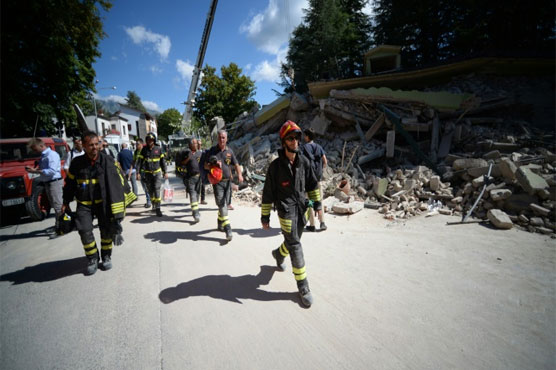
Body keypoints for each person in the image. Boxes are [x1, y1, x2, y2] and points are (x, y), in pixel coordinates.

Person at [260, 121, 320, 307]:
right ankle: (303, 286)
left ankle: (278, 254)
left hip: (302, 209)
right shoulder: (275, 167)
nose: (295, 142)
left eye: (297, 138)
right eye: (291, 138)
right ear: (284, 142)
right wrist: (265, 216)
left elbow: (312, 184)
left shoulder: (304, 162)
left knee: (293, 240)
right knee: (295, 244)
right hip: (285, 211)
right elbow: (268, 193)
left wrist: (316, 204)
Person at [62, 131, 129, 275]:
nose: (94, 147)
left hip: (103, 203)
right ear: (84, 146)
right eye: (90, 145)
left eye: (96, 144)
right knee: (84, 231)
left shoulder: (107, 161)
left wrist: (122, 204)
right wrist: (65, 201)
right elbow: (70, 184)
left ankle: (106, 256)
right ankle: (92, 258)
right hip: (84, 204)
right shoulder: (76, 163)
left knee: (106, 232)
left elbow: (119, 182)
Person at [203, 129, 243, 241]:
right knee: (222, 205)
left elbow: (236, 164)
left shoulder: (230, 151)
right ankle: (228, 228)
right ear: (217, 138)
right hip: (217, 182)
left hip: (228, 182)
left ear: (226, 139)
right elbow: (205, 166)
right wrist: (213, 165)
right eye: (220, 137)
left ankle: (220, 222)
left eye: (223, 137)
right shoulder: (212, 151)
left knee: (225, 203)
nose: (221, 139)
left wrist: (239, 175)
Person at [25, 138, 64, 238]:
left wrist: (36, 171)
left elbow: (51, 171)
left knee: (58, 206)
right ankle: (58, 226)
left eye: (35, 149)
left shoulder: (52, 155)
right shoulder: (43, 156)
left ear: (41, 146)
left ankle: (61, 229)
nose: (35, 151)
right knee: (55, 206)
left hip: (54, 182)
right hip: (48, 182)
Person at [302, 128, 328, 231]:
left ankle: (312, 225)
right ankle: (322, 223)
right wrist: (320, 171)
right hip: (318, 180)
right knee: (319, 201)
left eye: (305, 135)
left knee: (309, 203)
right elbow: (325, 161)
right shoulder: (319, 147)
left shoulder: (304, 148)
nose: (304, 137)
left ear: (308, 136)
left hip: (308, 181)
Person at [136, 132, 167, 217]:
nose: (150, 141)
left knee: (157, 189)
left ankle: (158, 208)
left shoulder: (158, 149)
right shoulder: (144, 150)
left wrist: (165, 172)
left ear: (154, 140)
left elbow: (162, 162)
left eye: (151, 140)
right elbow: (139, 162)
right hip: (147, 174)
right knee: (150, 190)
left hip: (157, 173)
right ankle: (153, 203)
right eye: (148, 140)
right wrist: (138, 172)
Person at [176, 139, 202, 223]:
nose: (196, 144)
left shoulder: (199, 153)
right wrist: (188, 159)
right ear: (190, 145)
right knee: (193, 194)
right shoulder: (187, 153)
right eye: (194, 143)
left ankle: (195, 209)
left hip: (199, 177)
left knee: (197, 194)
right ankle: (195, 213)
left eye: (196, 143)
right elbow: (181, 164)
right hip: (190, 178)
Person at [129, 138, 151, 208]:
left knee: (148, 187)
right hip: (141, 172)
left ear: (141, 144)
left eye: (137, 144)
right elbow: (134, 162)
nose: (136, 145)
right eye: (135, 144)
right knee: (145, 187)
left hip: (147, 171)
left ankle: (149, 201)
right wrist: (131, 171)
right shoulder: (136, 152)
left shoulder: (145, 150)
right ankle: (149, 200)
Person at [197, 139, 208, 205]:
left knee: (203, 185)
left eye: (200, 144)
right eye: (198, 144)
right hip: (195, 171)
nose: (199, 145)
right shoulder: (194, 152)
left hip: (202, 171)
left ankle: (202, 199)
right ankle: (195, 199)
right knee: (196, 186)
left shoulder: (203, 152)